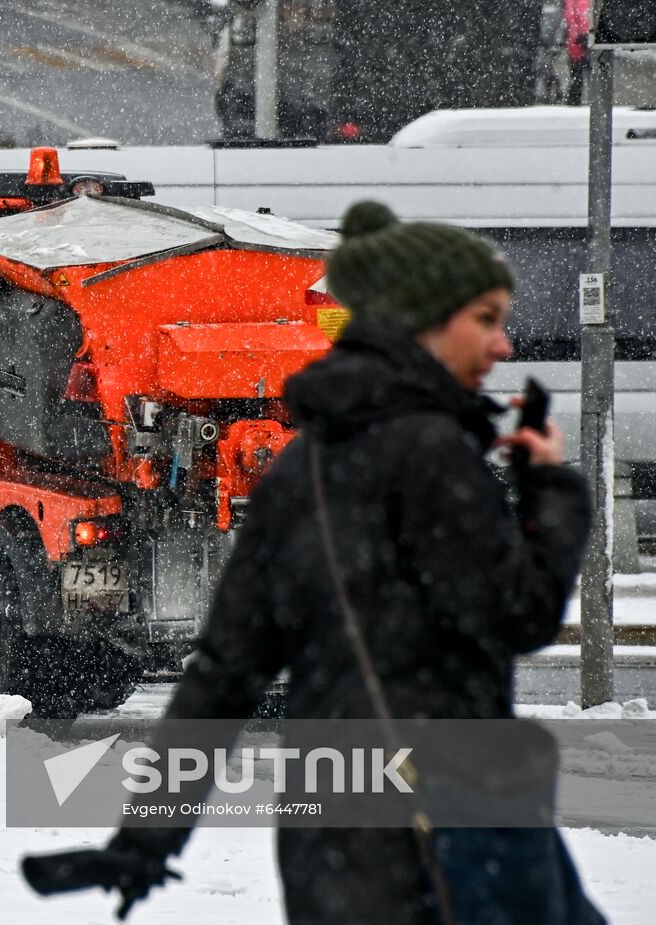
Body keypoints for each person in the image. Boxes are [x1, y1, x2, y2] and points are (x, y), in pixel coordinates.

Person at [86, 201, 601, 923]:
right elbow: (521, 611)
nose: (504, 344)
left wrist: (149, 833)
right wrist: (555, 496)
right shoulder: (433, 456)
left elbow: (225, 674)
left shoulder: (305, 468)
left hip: (327, 838)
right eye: (484, 319)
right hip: (452, 829)